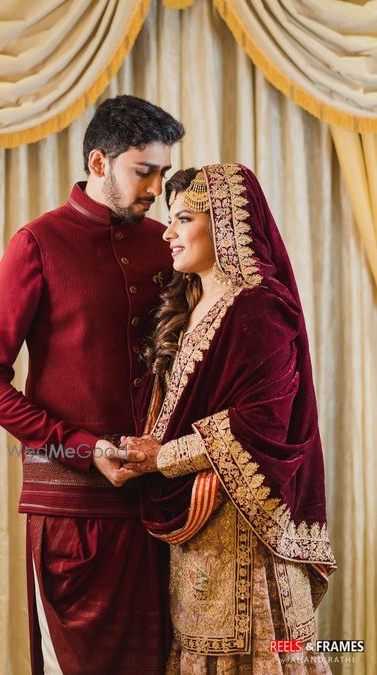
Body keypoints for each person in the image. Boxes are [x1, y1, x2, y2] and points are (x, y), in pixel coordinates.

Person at [0, 95, 184, 674]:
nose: (155, 187)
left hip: (161, 506)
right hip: (70, 514)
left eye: (162, 172)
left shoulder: (167, 245)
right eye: (144, 171)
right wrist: (86, 450)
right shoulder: (37, 243)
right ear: (98, 163)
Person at [120, 163, 337, 673]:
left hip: (248, 527)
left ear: (226, 226)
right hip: (198, 529)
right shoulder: (192, 303)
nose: (168, 233)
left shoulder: (260, 306)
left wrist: (162, 457)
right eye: (170, 219)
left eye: (185, 219)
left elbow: (263, 423)